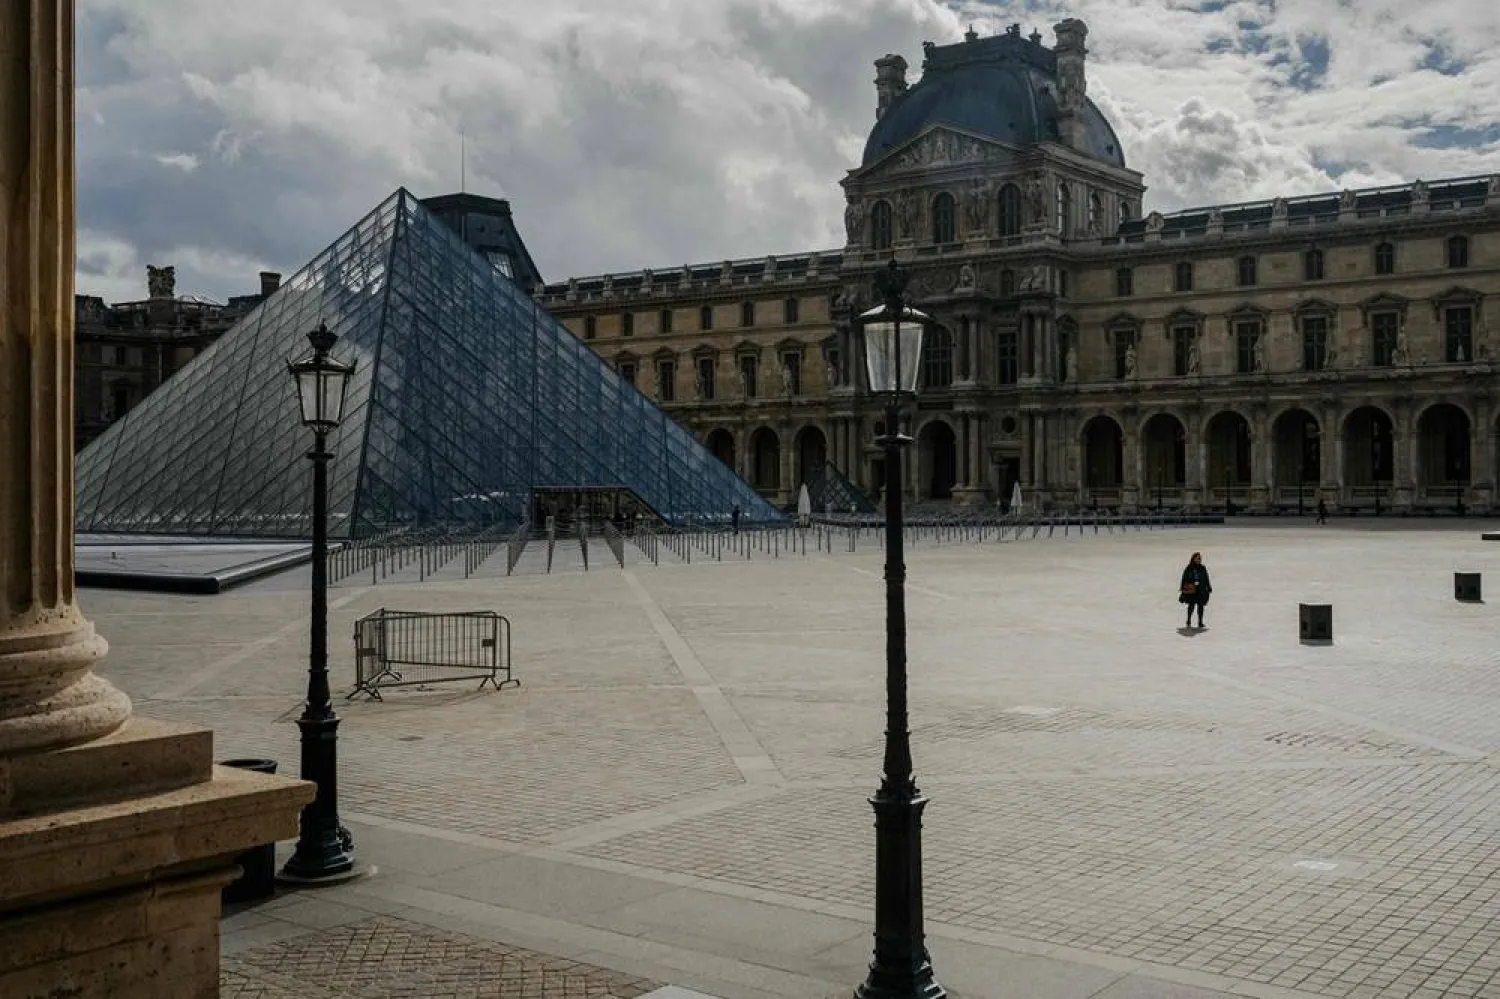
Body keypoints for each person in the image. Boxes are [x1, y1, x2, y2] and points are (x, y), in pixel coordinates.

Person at [1179, 552, 1212, 628]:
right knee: (1191, 606)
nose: (1199, 559)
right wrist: (1182, 587)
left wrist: (1209, 586)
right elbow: (1184, 578)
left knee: (1201, 606)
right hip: (1192, 590)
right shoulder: (1189, 567)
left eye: (1200, 558)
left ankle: (1200, 622)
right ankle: (1188, 620)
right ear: (1193, 559)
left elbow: (1206, 578)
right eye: (1197, 558)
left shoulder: (1202, 567)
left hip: (1201, 589)